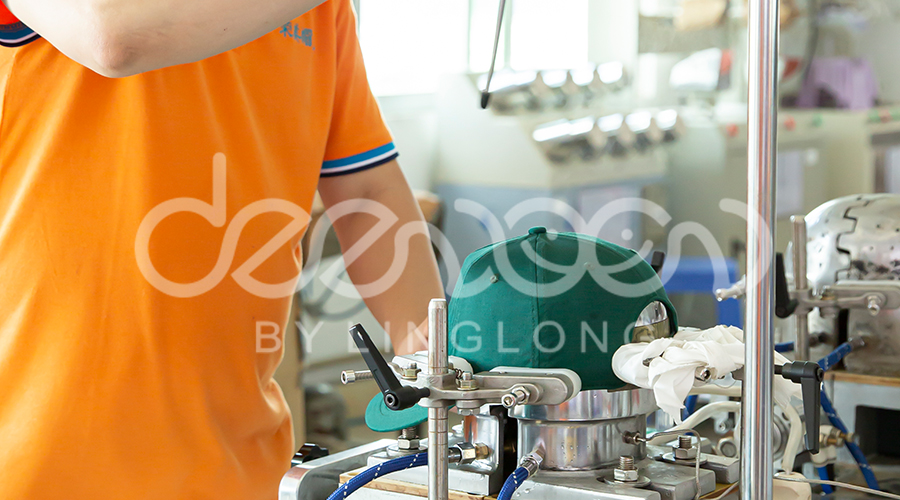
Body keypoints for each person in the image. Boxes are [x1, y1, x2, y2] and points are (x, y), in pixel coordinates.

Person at [0, 0, 445, 499]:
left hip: (236, 465)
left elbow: (367, 192)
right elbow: (111, 37)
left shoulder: (322, 11)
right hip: (38, 460)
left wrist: (437, 365)